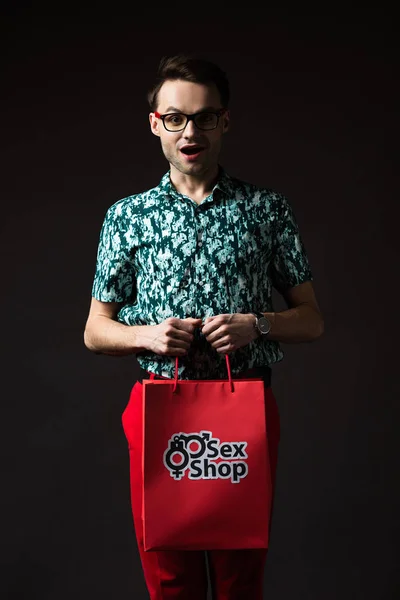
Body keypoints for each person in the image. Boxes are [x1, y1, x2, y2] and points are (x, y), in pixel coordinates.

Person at [84, 54, 324, 600]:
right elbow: (96, 330)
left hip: (244, 409)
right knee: (169, 577)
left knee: (241, 573)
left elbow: (312, 320)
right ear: (156, 124)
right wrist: (144, 334)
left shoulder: (267, 210)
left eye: (204, 117)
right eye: (175, 118)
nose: (190, 131)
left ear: (224, 122)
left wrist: (257, 324)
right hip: (159, 407)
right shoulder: (128, 216)